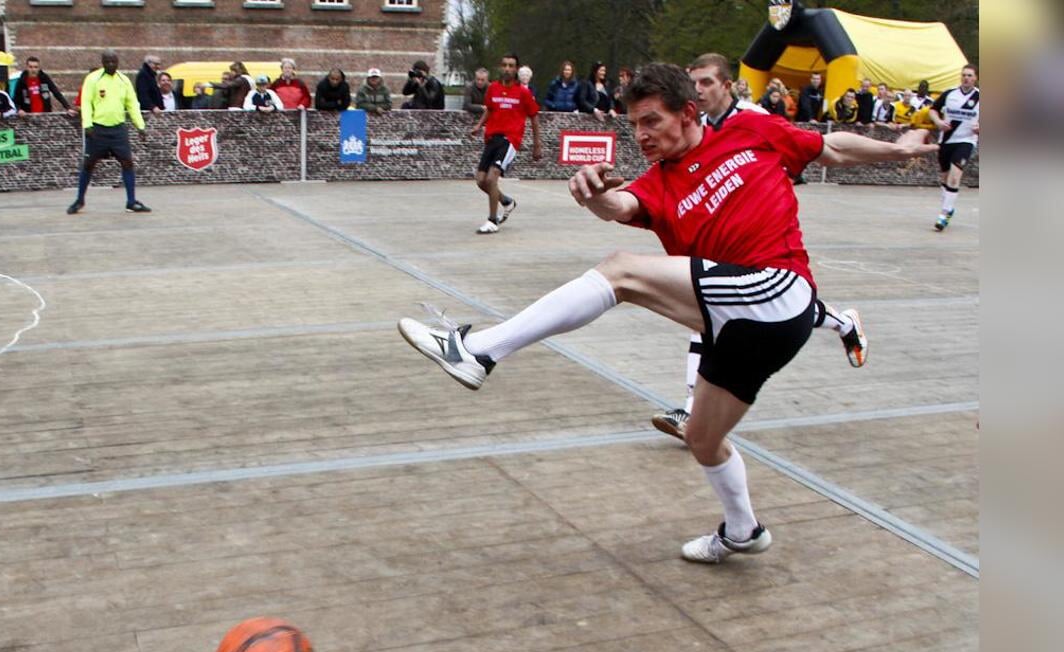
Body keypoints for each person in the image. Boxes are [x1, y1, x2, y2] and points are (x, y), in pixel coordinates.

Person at [398, 62, 936, 563]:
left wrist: (899, 149)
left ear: (688, 113)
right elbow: (622, 205)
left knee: (621, 270)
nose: (642, 134)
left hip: (780, 290)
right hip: (743, 329)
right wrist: (593, 198)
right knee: (702, 438)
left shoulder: (753, 133)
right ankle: (743, 530)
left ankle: (478, 351)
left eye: (651, 121)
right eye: (634, 125)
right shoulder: (657, 181)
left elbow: (831, 149)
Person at [650, 52, 867, 441]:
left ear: (726, 86)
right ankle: (844, 322)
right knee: (729, 317)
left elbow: (800, 151)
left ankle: (690, 410)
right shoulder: (693, 124)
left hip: (753, 234)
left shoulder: (753, 119)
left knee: (720, 320)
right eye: (692, 83)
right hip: (712, 234)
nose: (697, 91)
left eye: (705, 83)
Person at [467, 52, 542, 235]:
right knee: (481, 181)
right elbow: (489, 110)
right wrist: (478, 125)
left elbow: (534, 118)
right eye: (505, 65)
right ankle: (507, 202)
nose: (507, 69)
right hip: (492, 138)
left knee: (492, 179)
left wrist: (537, 145)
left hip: (510, 140)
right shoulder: (492, 88)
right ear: (501, 67)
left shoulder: (523, 93)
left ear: (516, 69)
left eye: (511, 66)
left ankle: (492, 221)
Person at [68, 49, 150, 215]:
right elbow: (86, 101)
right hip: (97, 129)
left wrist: (140, 126)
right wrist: (88, 125)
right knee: (89, 164)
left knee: (127, 163)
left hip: (118, 129)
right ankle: (79, 199)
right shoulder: (93, 79)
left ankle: (131, 202)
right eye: (107, 62)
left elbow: (132, 104)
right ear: (102, 62)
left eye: (114, 62)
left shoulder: (124, 80)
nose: (111, 65)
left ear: (118, 62)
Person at [929, 64, 980, 232]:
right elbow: (933, 110)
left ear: (975, 78)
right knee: (944, 178)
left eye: (970, 75)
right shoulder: (950, 93)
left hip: (966, 141)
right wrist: (937, 122)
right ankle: (949, 207)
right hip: (947, 140)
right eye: (964, 75)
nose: (966, 78)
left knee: (954, 176)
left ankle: (943, 214)